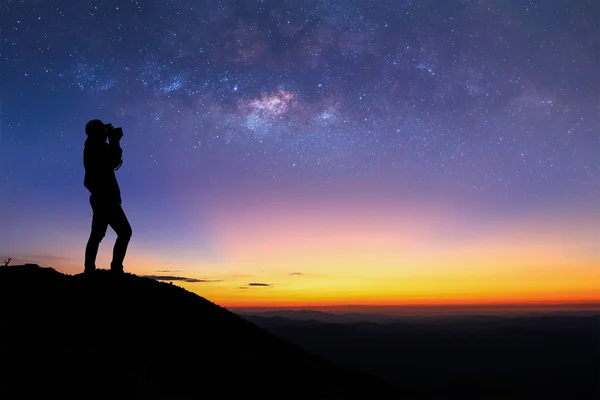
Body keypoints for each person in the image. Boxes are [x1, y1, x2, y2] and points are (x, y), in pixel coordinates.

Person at [83, 119, 132, 274]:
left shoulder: (92, 146)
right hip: (105, 198)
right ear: (95, 131)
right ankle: (116, 268)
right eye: (101, 129)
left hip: (101, 197)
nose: (104, 132)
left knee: (97, 235)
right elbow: (114, 161)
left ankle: (90, 269)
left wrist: (113, 141)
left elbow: (113, 162)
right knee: (124, 232)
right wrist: (115, 141)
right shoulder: (95, 146)